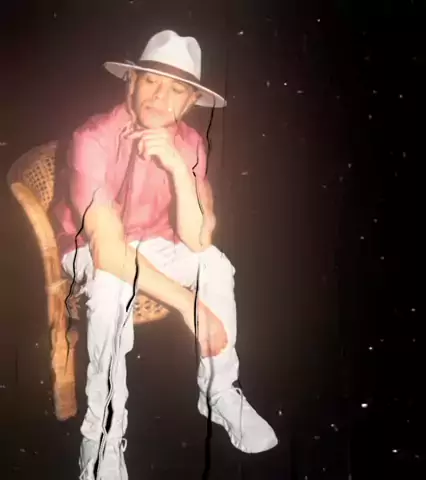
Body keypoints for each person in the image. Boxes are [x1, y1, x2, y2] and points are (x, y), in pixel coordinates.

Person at [50, 30, 278, 480]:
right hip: (88, 247)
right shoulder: (92, 137)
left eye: (176, 90)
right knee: (112, 291)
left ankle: (218, 391)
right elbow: (109, 251)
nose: (160, 97)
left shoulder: (191, 143)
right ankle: (102, 434)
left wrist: (177, 167)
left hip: (155, 240)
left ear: (191, 101)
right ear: (131, 81)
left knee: (216, 266)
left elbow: (197, 239)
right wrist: (191, 307)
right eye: (151, 82)